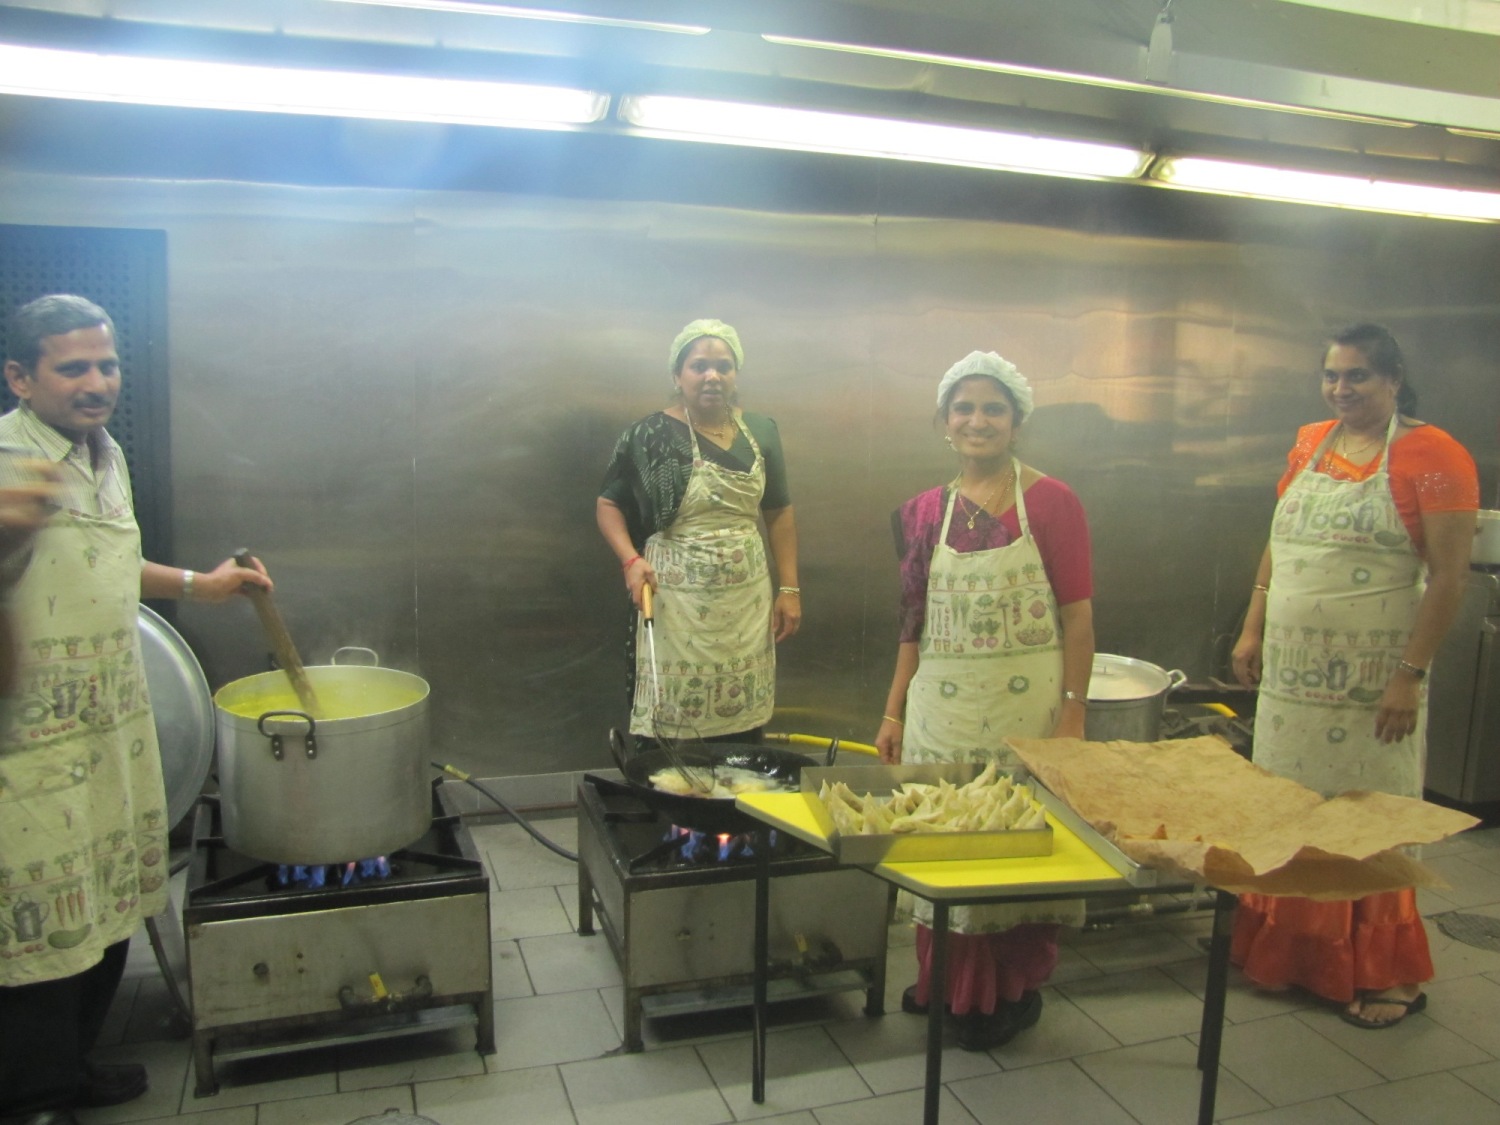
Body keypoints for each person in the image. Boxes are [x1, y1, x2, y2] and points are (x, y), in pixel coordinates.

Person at [0, 295, 274, 1125]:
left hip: (113, 723)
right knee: (39, 921)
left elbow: (105, 556)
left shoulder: (101, 450)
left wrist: (201, 583)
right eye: (72, 367)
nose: (97, 383)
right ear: (20, 376)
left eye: (107, 364)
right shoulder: (9, 458)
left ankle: (74, 1065)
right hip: (28, 745)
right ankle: (30, 1097)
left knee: (113, 895)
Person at [1230, 323, 1479, 1030]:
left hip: (1373, 686)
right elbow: (1280, 541)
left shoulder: (1435, 454)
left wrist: (1409, 674)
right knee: (1293, 812)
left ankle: (1388, 975)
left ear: (1394, 379)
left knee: (1369, 821)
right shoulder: (1311, 441)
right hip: (1291, 680)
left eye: (1359, 376)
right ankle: (1292, 956)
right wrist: (1254, 625)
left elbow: (1450, 576)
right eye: (1332, 376)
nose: (1342, 389)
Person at [874, 350, 1095, 1051]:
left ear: (1017, 421)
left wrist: (1073, 711)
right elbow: (912, 624)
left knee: (1012, 850)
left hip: (1023, 714)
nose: (977, 420)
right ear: (944, 422)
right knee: (945, 847)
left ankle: (1004, 990)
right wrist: (892, 712)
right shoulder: (920, 514)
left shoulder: (1054, 502)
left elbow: (1080, 618)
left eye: (992, 408)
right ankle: (948, 986)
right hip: (941, 710)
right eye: (963, 408)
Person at [596, 319, 800, 744]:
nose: (712, 376)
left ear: (735, 375)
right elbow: (608, 504)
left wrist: (791, 589)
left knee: (741, 727)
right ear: (678, 375)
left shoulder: (761, 430)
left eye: (723, 366)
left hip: (746, 603)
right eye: (699, 365)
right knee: (672, 721)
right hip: (675, 602)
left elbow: (779, 511)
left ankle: (735, 796)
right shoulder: (647, 435)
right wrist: (631, 561)